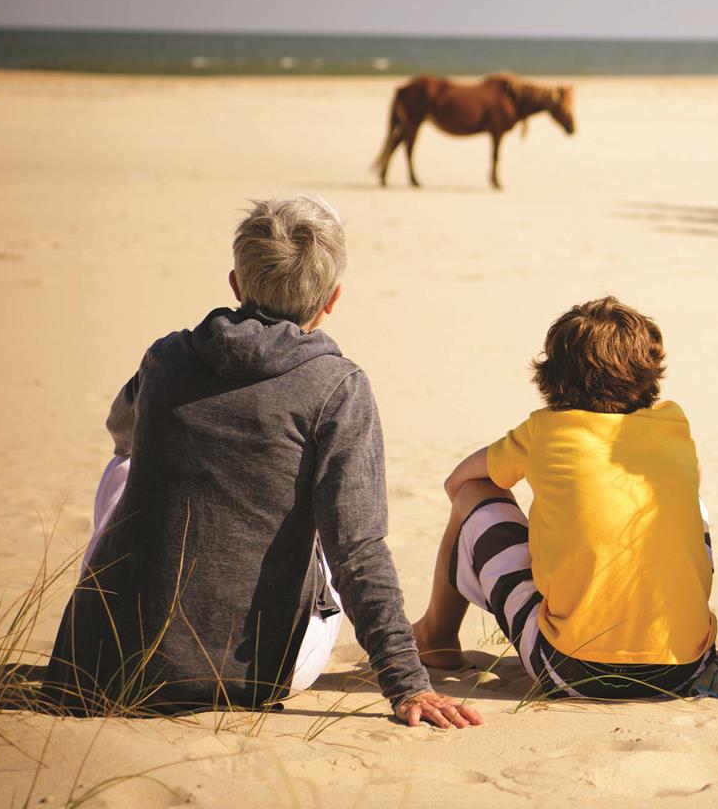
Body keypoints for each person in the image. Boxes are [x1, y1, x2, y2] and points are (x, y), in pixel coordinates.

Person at [43, 196, 478, 728]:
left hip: (99, 664)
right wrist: (407, 684)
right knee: (331, 518)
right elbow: (358, 549)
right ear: (333, 298)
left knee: (127, 465)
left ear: (234, 284)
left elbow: (120, 430)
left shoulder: (166, 356)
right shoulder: (337, 385)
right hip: (243, 676)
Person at [410, 297, 716, 699]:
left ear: (551, 375)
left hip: (572, 670)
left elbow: (458, 482)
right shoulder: (673, 423)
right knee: (688, 504)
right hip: (684, 668)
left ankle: (437, 636)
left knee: (473, 496)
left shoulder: (547, 430)